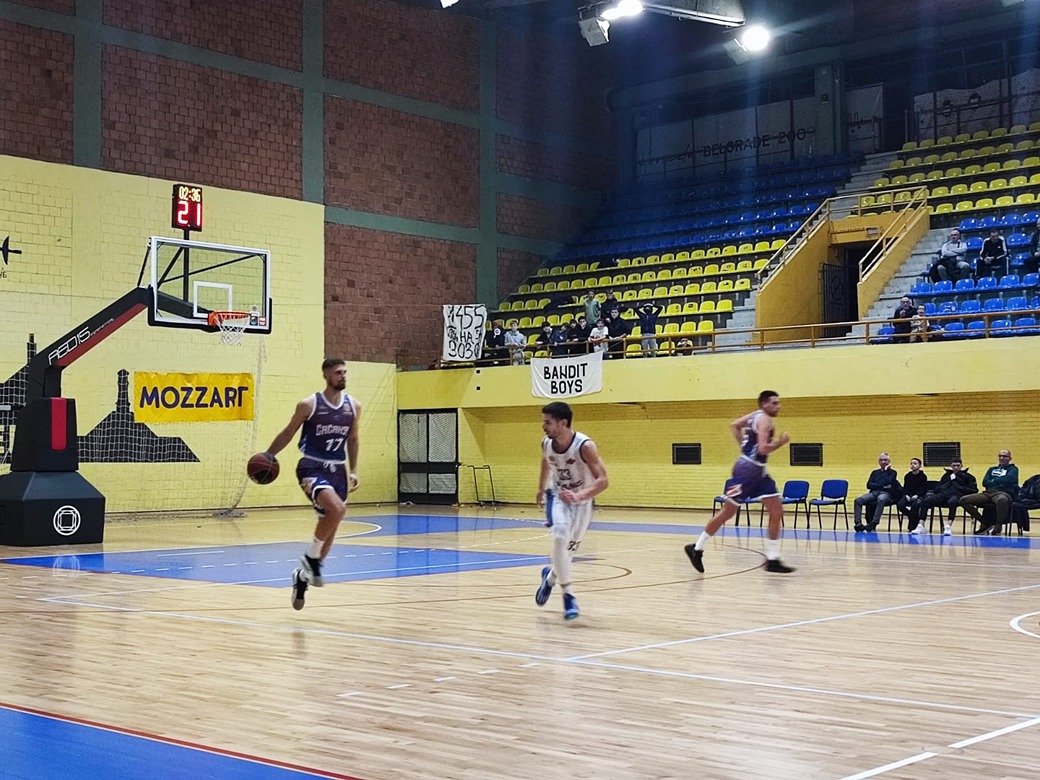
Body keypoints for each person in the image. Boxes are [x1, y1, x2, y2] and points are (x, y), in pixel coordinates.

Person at [263, 358, 360, 610]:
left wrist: (353, 470)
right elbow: (288, 432)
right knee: (337, 510)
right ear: (326, 375)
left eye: (345, 372)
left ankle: (302, 576)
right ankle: (310, 559)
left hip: (338, 470)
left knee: (330, 528)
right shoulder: (309, 404)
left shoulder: (353, 406)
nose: (343, 376)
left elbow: (353, 439)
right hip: (312, 466)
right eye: (338, 372)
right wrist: (269, 455)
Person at [684, 391, 795, 574]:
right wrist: (781, 442)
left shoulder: (754, 415)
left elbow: (735, 425)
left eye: (779, 403)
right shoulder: (764, 420)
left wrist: (744, 449)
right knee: (728, 512)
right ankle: (696, 548)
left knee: (776, 510)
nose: (779, 406)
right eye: (775, 403)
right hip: (747, 472)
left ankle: (773, 559)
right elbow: (763, 449)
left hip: (758, 470)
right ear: (764, 404)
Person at [534, 402, 609, 621]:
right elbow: (546, 463)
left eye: (548, 422)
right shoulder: (546, 443)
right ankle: (568, 595)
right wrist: (541, 488)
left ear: (563, 423)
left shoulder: (584, 446)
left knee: (567, 553)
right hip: (560, 498)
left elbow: (603, 480)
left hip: (582, 501)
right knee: (559, 536)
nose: (543, 426)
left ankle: (550, 578)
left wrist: (580, 496)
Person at [909, 458, 977, 536]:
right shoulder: (946, 476)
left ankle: (948, 526)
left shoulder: (968, 477)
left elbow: (973, 490)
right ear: (951, 466)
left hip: (957, 495)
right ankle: (921, 525)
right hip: (943, 495)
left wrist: (958, 485)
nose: (956, 467)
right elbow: (937, 488)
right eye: (954, 465)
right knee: (925, 501)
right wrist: (948, 483)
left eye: (958, 465)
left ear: (961, 466)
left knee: (952, 502)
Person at [960, 449, 1019, 535]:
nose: (1002, 458)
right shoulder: (992, 469)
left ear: (1010, 458)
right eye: (1000, 456)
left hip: (1003, 493)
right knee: (964, 500)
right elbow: (985, 482)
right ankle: (985, 523)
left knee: (1002, 500)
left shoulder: (1013, 469)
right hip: (988, 493)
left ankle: (998, 525)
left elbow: (1009, 479)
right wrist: (1000, 481)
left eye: (1005, 456)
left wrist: (994, 480)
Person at [853, 452, 902, 532]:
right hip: (874, 493)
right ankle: (858, 523)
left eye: (885, 460)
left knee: (881, 499)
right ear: (878, 461)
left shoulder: (893, 473)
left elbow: (888, 481)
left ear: (889, 461)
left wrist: (885, 471)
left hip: (886, 493)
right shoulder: (874, 472)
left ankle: (874, 522)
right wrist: (883, 486)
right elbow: (869, 485)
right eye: (881, 460)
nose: (883, 462)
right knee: (858, 500)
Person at [898, 457, 929, 531]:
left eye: (915, 463)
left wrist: (917, 495)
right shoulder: (908, 476)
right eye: (911, 463)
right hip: (908, 496)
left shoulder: (923, 476)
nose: (912, 465)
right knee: (900, 505)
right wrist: (906, 495)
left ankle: (912, 526)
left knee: (915, 505)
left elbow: (923, 489)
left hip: (919, 496)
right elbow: (905, 487)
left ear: (920, 466)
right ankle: (914, 518)